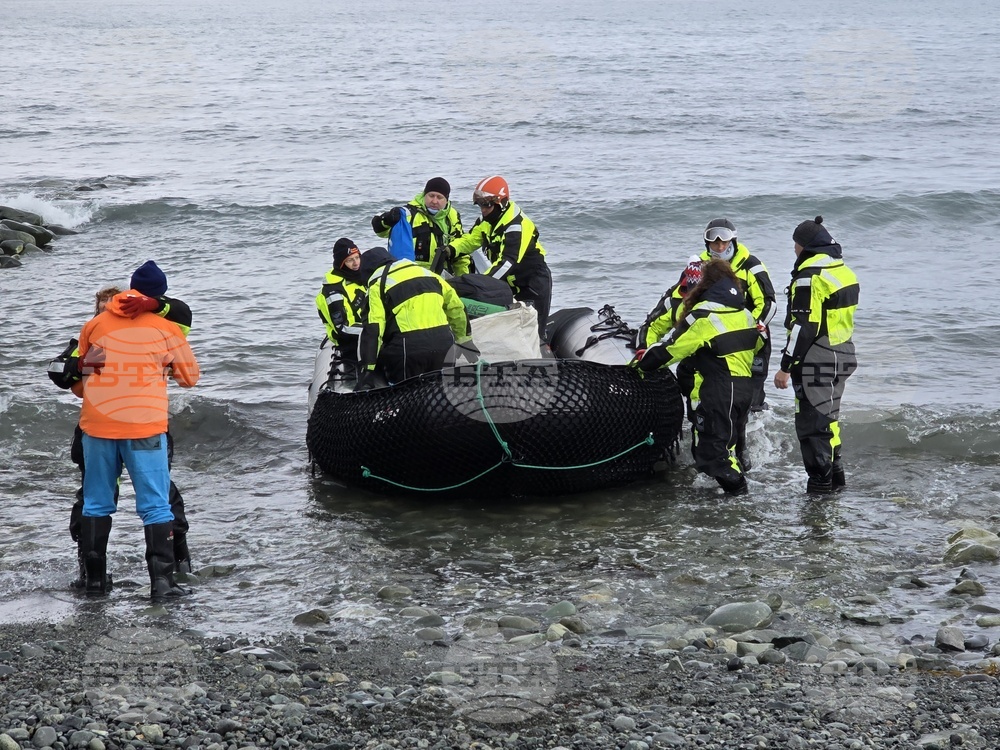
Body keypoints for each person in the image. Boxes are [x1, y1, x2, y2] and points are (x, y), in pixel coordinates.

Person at [48, 269, 196, 588]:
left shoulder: (95, 328)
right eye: (103, 307)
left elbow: (80, 387)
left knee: (101, 501)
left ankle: (98, 581)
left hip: (100, 427)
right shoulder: (162, 328)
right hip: (138, 427)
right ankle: (158, 582)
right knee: (150, 502)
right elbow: (189, 377)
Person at [631, 260, 763, 495]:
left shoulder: (703, 315)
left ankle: (741, 498)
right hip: (744, 390)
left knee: (714, 455)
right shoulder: (744, 312)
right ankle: (732, 496)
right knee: (728, 447)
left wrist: (641, 366)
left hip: (720, 390)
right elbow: (759, 344)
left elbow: (671, 349)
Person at [773, 216, 859, 494]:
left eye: (795, 245)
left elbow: (803, 327)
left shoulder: (809, 278)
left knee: (812, 427)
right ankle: (837, 481)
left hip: (817, 360)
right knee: (828, 421)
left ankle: (820, 491)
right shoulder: (843, 271)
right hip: (842, 352)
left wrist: (786, 366)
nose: (794, 250)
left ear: (805, 245)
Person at [445, 176, 552, 341]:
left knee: (533, 334)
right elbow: (471, 240)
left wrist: (482, 284)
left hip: (532, 283)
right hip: (509, 284)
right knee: (509, 331)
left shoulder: (516, 225)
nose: (483, 209)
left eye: (487, 204)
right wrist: (450, 249)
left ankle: (543, 348)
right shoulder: (487, 220)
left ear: (501, 202)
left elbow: (507, 262)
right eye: (480, 204)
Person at [358, 248, 474, 385]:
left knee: (405, 391)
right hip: (444, 345)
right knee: (438, 390)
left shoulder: (378, 286)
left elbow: (374, 328)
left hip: (408, 350)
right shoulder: (429, 274)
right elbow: (457, 308)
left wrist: (368, 367)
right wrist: (464, 340)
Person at [699, 218, 776, 412]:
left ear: (733, 241)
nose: (720, 247)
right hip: (719, 338)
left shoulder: (752, 266)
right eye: (715, 243)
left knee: (754, 390)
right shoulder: (700, 267)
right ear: (707, 244)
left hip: (753, 337)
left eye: (724, 242)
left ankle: (758, 424)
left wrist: (752, 331)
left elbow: (768, 304)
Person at [371, 177, 469, 276]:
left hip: (441, 273)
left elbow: (460, 251)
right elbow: (380, 232)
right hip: (410, 273)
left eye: (439, 197)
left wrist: (464, 277)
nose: (434, 201)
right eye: (431, 196)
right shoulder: (407, 214)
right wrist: (387, 219)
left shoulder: (452, 217)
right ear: (424, 195)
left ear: (446, 200)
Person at [315, 237, 368, 372]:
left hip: (369, 337)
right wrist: (375, 332)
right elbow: (343, 329)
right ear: (341, 263)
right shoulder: (333, 291)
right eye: (350, 260)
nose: (356, 263)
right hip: (350, 343)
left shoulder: (362, 278)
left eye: (357, 258)